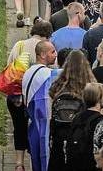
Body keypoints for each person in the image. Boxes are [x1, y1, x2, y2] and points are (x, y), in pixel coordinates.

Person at [22, 39, 59, 171]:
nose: (56, 54)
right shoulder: (46, 74)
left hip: (33, 126)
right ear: (43, 55)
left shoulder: (28, 72)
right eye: (52, 52)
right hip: (43, 126)